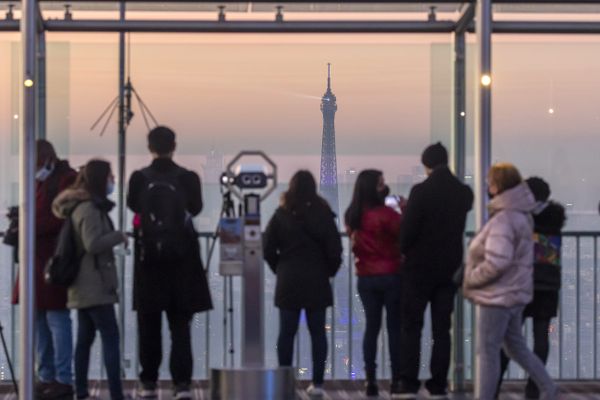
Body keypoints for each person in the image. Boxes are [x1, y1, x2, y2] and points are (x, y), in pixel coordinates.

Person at [127, 126, 212, 400]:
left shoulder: (139, 179)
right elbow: (196, 208)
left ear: (150, 147)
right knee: (180, 328)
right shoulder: (188, 178)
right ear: (174, 146)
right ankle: (182, 384)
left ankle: (148, 382)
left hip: (149, 262)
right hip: (182, 262)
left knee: (149, 326)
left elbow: (133, 207)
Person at [463, 163, 558, 400]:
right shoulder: (521, 215)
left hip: (497, 295)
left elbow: (497, 262)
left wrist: (471, 278)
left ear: (497, 186)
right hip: (515, 292)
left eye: (490, 182)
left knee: (487, 351)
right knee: (516, 347)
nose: (487, 185)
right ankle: (548, 388)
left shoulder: (504, 220)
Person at [397, 142, 473, 399]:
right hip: (449, 268)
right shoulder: (463, 193)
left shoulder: (420, 192)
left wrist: (404, 250)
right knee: (443, 329)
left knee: (412, 326)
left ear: (426, 164)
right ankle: (438, 383)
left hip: (419, 269)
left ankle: (409, 382)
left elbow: (407, 232)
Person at [52, 159, 128, 400]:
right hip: (94, 284)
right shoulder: (89, 209)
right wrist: (119, 236)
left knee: (85, 339)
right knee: (110, 338)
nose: (112, 181)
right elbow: (93, 244)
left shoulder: (81, 207)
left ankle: (82, 392)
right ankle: (116, 393)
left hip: (84, 285)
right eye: (110, 177)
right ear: (100, 179)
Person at [263, 170, 342, 397]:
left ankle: (285, 383)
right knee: (318, 333)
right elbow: (335, 250)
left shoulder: (281, 214)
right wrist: (328, 271)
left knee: (286, 333)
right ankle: (317, 384)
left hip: (289, 279)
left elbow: (267, 248)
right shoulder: (324, 214)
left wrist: (279, 268)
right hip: (317, 279)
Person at [11, 140, 77, 399]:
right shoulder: (49, 180)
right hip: (38, 260)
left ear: (46, 158)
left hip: (51, 260)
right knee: (40, 320)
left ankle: (61, 378)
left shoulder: (64, 181)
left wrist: (26, 225)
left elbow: (57, 217)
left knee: (56, 320)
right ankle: (48, 376)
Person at [496, 177, 566, 399]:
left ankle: (493, 386)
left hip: (520, 283)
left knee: (509, 338)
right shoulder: (555, 219)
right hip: (548, 285)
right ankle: (534, 389)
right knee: (541, 338)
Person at [344, 169, 404, 398]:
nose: (384, 186)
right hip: (391, 275)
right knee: (394, 329)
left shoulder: (353, 215)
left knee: (371, 328)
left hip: (366, 277)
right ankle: (397, 379)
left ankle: (371, 380)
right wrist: (404, 207)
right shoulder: (386, 214)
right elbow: (403, 232)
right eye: (381, 183)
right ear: (373, 188)